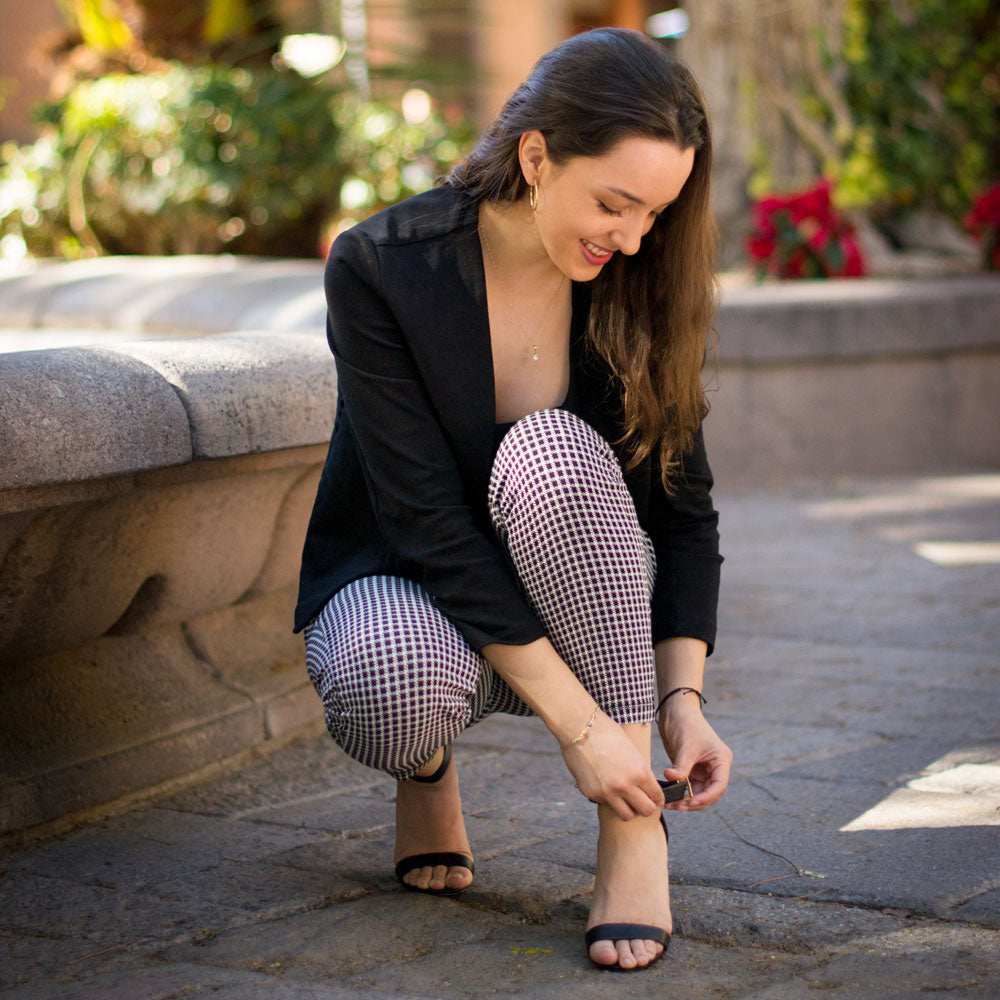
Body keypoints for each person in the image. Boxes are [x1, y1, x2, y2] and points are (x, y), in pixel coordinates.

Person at [295, 26, 733, 971]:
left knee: (552, 455)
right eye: (616, 204)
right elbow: (424, 522)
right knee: (389, 687)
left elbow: (683, 512)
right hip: (412, 578)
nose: (633, 238)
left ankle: (633, 829)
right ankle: (428, 764)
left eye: (655, 214)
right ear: (535, 155)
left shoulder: (639, 282)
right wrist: (577, 730)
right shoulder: (382, 266)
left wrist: (681, 702)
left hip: (571, 595)